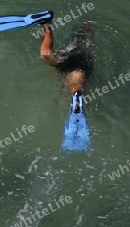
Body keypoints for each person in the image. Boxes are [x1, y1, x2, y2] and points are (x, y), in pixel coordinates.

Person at [40, 15, 93, 151]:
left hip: (68, 64)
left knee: (48, 57)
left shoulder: (61, 70)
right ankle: (46, 26)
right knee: (47, 56)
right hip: (72, 64)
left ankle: (46, 26)